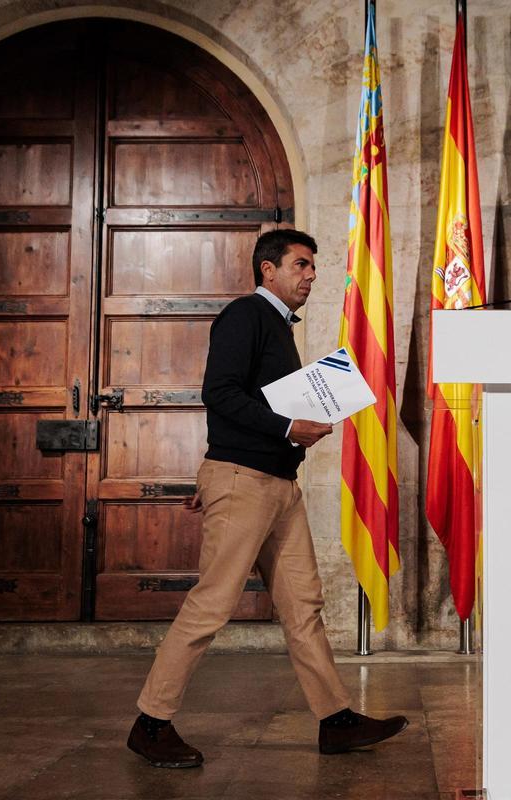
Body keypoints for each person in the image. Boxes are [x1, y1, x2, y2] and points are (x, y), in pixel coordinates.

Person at [127, 229, 408, 768]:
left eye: (313, 266)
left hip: (277, 485)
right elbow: (220, 392)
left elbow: (249, 400)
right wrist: (284, 431)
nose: (311, 275)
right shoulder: (245, 315)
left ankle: (336, 720)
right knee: (211, 604)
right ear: (268, 270)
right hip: (247, 480)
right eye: (301, 265)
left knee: (303, 606)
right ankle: (151, 723)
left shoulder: (277, 326)